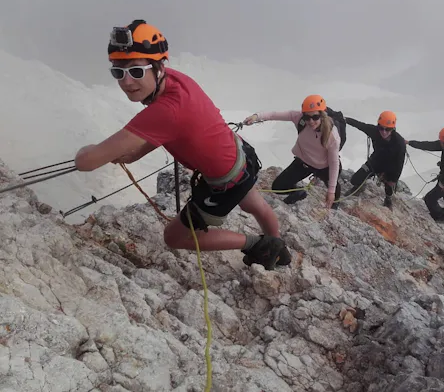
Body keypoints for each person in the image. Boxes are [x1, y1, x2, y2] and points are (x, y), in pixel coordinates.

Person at [74, 19, 289, 270]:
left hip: (225, 182)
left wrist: (84, 151)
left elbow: (86, 162)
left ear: (157, 66)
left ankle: (258, 245)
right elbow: (164, 130)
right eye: (118, 72)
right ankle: (278, 247)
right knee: (255, 205)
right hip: (242, 157)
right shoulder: (174, 81)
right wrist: (135, 156)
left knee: (175, 237)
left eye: (135, 71)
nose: (127, 82)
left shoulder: (165, 110)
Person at [243, 95, 342, 209]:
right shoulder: (300, 119)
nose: (310, 121)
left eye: (315, 117)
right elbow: (274, 114)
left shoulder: (332, 136)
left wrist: (331, 192)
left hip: (326, 166)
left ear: (323, 115)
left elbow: (334, 163)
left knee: (334, 188)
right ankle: (299, 192)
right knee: (278, 187)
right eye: (307, 117)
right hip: (304, 163)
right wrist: (256, 116)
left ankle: (335, 205)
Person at [344, 111, 406, 209]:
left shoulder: (399, 143)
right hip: (375, 162)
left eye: (388, 129)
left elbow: (400, 163)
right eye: (381, 128)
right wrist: (345, 119)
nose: (384, 132)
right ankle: (359, 188)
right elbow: (360, 125)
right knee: (355, 179)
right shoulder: (374, 131)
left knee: (389, 187)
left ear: (393, 129)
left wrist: (394, 179)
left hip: (391, 167)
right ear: (378, 126)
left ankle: (388, 199)